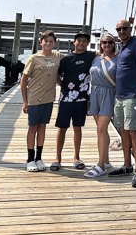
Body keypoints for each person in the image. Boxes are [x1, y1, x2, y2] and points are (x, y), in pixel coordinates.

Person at [108, 19, 136, 188]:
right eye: (118, 29)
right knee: (123, 131)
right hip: (119, 96)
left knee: (133, 133)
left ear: (130, 29)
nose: (121, 31)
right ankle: (127, 165)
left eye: (124, 28)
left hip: (131, 96)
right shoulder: (123, 47)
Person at [50, 31, 96, 171]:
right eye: (79, 41)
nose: (81, 43)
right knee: (62, 128)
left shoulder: (91, 56)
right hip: (66, 99)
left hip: (82, 99)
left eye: (84, 41)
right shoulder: (66, 59)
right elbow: (58, 76)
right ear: (74, 42)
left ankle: (76, 157)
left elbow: (104, 54)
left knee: (78, 128)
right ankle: (57, 158)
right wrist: (64, 87)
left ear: (87, 44)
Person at [20, 30, 62, 172]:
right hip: (34, 98)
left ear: (54, 43)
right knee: (33, 128)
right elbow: (23, 81)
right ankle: (30, 159)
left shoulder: (57, 57)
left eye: (51, 41)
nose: (48, 43)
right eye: (46, 41)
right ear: (41, 42)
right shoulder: (33, 58)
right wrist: (24, 101)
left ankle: (39, 158)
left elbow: (68, 64)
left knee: (42, 127)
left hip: (49, 98)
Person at [84, 33, 118, 178]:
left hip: (109, 94)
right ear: (100, 44)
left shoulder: (118, 60)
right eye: (104, 42)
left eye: (110, 42)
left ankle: (101, 165)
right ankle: (106, 160)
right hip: (95, 93)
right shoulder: (96, 59)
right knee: (102, 130)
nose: (107, 45)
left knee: (101, 130)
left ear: (114, 44)